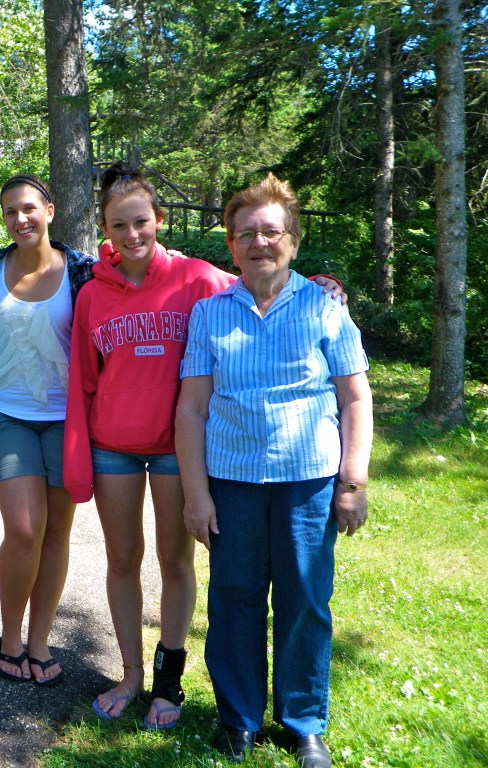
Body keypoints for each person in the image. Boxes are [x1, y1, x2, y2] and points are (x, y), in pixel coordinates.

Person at [175, 174, 372, 767]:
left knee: (305, 601)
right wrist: (195, 496)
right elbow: (191, 406)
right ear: (231, 245)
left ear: (292, 239)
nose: (259, 242)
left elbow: (355, 399)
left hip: (307, 482)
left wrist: (353, 481)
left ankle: (304, 721)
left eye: (271, 231)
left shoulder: (325, 311)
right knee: (234, 598)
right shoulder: (209, 315)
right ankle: (237, 719)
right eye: (246, 234)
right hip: (230, 482)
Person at [63, 163, 235, 726]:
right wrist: (79, 454)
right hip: (112, 445)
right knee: (122, 558)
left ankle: (169, 681)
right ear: (105, 232)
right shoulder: (92, 296)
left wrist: (325, 288)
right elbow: (84, 382)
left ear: (159, 219)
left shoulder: (200, 280)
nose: (131, 234)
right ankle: (131, 672)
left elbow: (266, 285)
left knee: (175, 558)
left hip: (174, 448)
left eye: (141, 222)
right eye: (119, 225)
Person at [0, 174, 96, 686]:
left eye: (28, 209)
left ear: (49, 210)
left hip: (67, 419)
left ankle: (39, 640)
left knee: (56, 533)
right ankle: (10, 636)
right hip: (6, 413)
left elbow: (148, 272)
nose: (20, 219)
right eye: (9, 212)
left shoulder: (83, 270)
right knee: (24, 529)